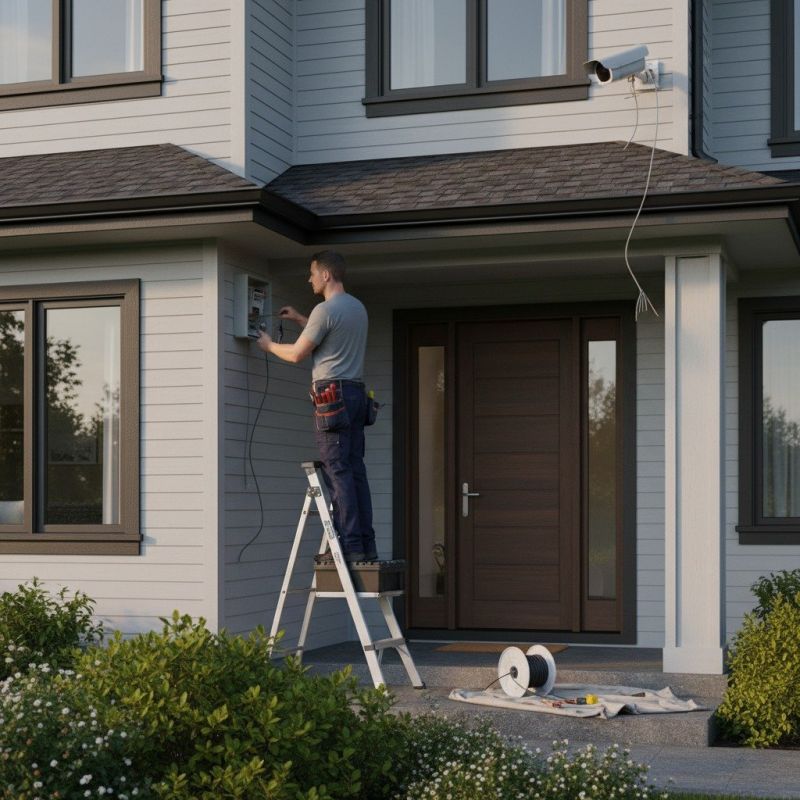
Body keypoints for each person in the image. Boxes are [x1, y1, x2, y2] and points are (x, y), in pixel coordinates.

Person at [257, 250, 377, 562]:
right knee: (355, 470)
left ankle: (348, 548)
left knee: (337, 472)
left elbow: (297, 354)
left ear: (326, 275)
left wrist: (269, 345)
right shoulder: (356, 308)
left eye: (312, 273)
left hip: (331, 395)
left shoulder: (325, 310)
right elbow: (331, 333)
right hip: (355, 394)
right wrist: (300, 319)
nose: (309, 279)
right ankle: (364, 545)